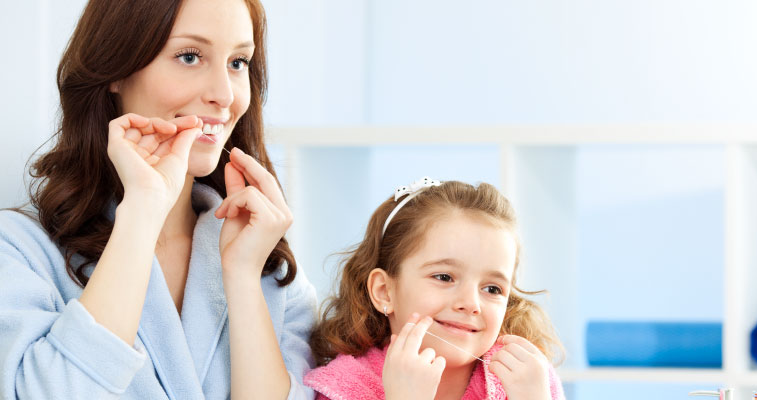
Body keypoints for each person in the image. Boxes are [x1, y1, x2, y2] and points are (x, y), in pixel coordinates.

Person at [0, 0, 316, 398]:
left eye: (238, 62)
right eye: (189, 56)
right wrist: (142, 213)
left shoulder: (269, 268)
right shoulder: (18, 251)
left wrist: (241, 278)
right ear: (116, 68)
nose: (225, 95)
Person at [305, 178, 565, 400]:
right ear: (384, 291)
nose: (471, 303)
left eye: (492, 288)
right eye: (444, 277)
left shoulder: (528, 380)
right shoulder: (342, 389)